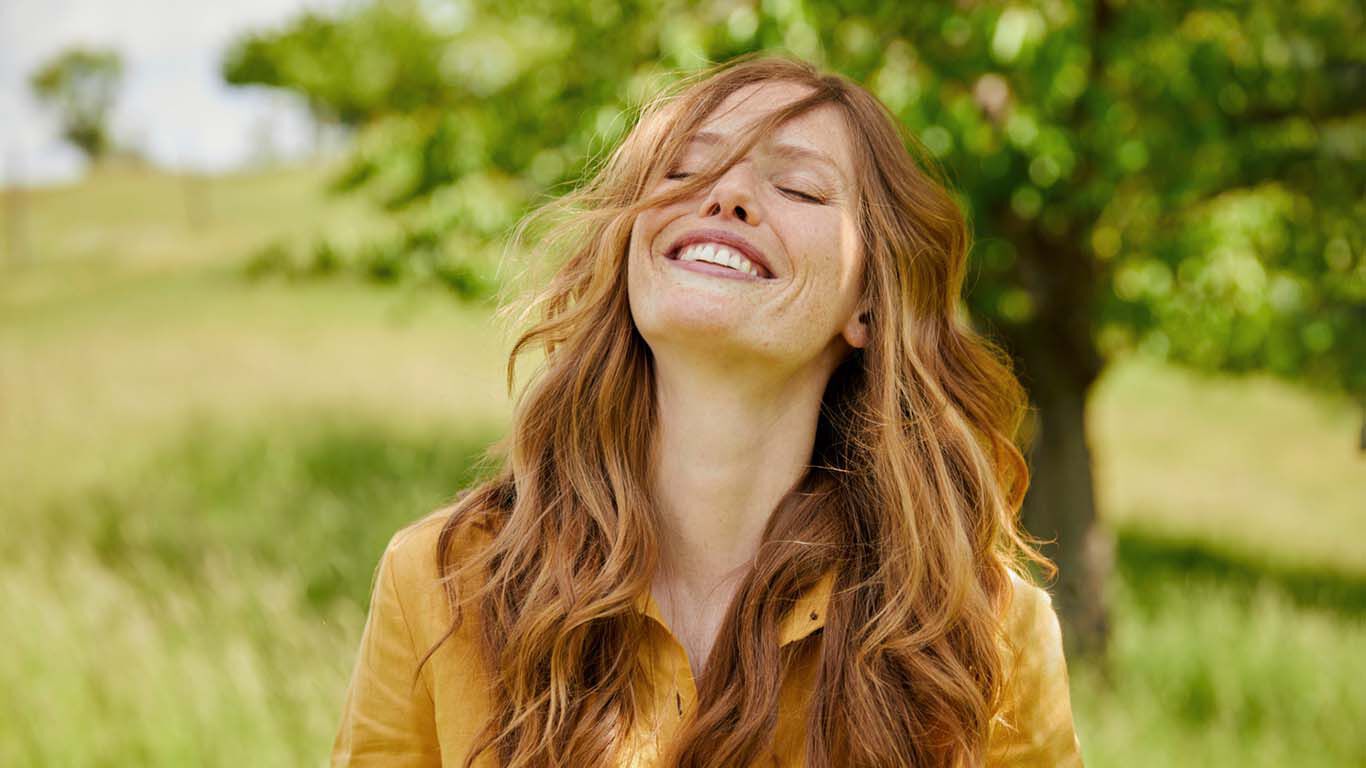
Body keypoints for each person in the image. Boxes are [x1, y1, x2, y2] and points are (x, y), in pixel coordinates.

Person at [332, 53, 1085, 768]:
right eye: (685, 170)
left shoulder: (986, 631)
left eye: (799, 189)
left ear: (867, 305)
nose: (726, 197)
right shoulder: (439, 581)